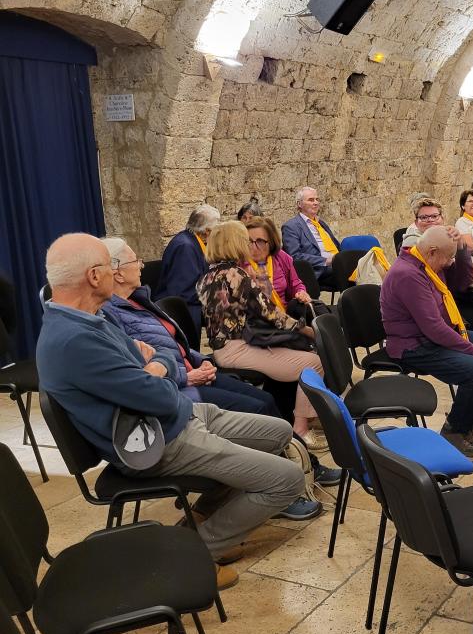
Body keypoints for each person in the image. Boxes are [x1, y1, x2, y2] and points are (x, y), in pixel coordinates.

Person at [36, 233, 305, 589]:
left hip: (179, 416)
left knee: (279, 432)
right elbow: (159, 394)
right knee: (288, 479)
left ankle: (199, 517)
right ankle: (196, 553)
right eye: (109, 265)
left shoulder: (90, 319)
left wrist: (156, 366)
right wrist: (156, 369)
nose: (122, 270)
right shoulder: (75, 340)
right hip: (160, 440)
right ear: (94, 276)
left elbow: (156, 355)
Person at [100, 237, 342, 493]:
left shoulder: (139, 300)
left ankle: (299, 465)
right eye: (135, 261)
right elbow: (138, 370)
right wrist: (187, 375)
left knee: (267, 398)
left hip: (195, 370)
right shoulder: (112, 314)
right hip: (180, 388)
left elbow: (175, 345)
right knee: (261, 405)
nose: (141, 265)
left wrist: (202, 361)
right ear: (117, 273)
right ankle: (286, 477)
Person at [380, 226, 473, 458]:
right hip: (413, 345)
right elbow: (434, 329)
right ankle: (455, 430)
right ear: (432, 251)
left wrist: (461, 249)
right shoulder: (408, 274)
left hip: (431, 337)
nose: (450, 262)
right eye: (448, 257)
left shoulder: (427, 262)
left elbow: (461, 283)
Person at [197, 220, 325, 445]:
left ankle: (303, 416)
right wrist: (306, 329)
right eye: (245, 240)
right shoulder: (236, 274)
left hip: (223, 348)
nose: (249, 245)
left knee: (294, 352)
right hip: (238, 349)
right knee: (313, 363)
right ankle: (301, 429)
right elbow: (271, 313)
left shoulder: (207, 276)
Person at [404, 196, 473, 345]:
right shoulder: (413, 243)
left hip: (464, 291)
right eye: (424, 217)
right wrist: (466, 268)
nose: (430, 220)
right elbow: (446, 266)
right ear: (416, 222)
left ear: (442, 218)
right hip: (443, 298)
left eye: (434, 216)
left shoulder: (447, 234)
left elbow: (464, 257)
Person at [155, 204, 220, 338]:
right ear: (207, 231)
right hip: (180, 310)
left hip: (191, 303)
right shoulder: (185, 247)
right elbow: (185, 292)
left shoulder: (191, 240)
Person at [244, 217, 313, 315]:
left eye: (260, 241)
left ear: (271, 242)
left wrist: (301, 292)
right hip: (255, 318)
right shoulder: (241, 264)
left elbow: (295, 284)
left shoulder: (281, 257)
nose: (254, 247)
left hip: (285, 314)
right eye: (249, 241)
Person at [281, 187, 341, 290]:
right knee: (350, 271)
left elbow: (336, 246)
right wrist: (326, 260)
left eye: (317, 199)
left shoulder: (320, 223)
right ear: (299, 204)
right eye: (311, 200)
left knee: (360, 264)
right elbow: (294, 256)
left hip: (336, 264)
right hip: (318, 270)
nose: (316, 203)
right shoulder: (291, 226)